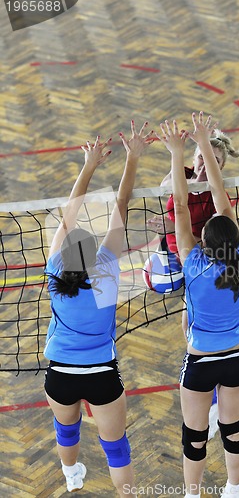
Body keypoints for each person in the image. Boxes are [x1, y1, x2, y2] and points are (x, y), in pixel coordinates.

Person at [155, 111, 239, 498]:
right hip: (236, 359)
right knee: (233, 430)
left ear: (204, 241)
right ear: (234, 238)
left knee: (194, 435)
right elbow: (221, 204)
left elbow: (181, 206)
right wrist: (201, 148)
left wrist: (181, 149)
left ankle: (192, 494)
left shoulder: (193, 264)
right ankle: (233, 489)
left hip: (199, 361)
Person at [43, 121, 153, 496]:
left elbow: (67, 216)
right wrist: (132, 157)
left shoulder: (55, 270)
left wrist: (88, 165)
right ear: (92, 255)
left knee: (66, 431)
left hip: (60, 373)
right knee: (117, 450)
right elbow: (120, 204)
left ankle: (72, 476)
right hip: (101, 374)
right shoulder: (106, 270)